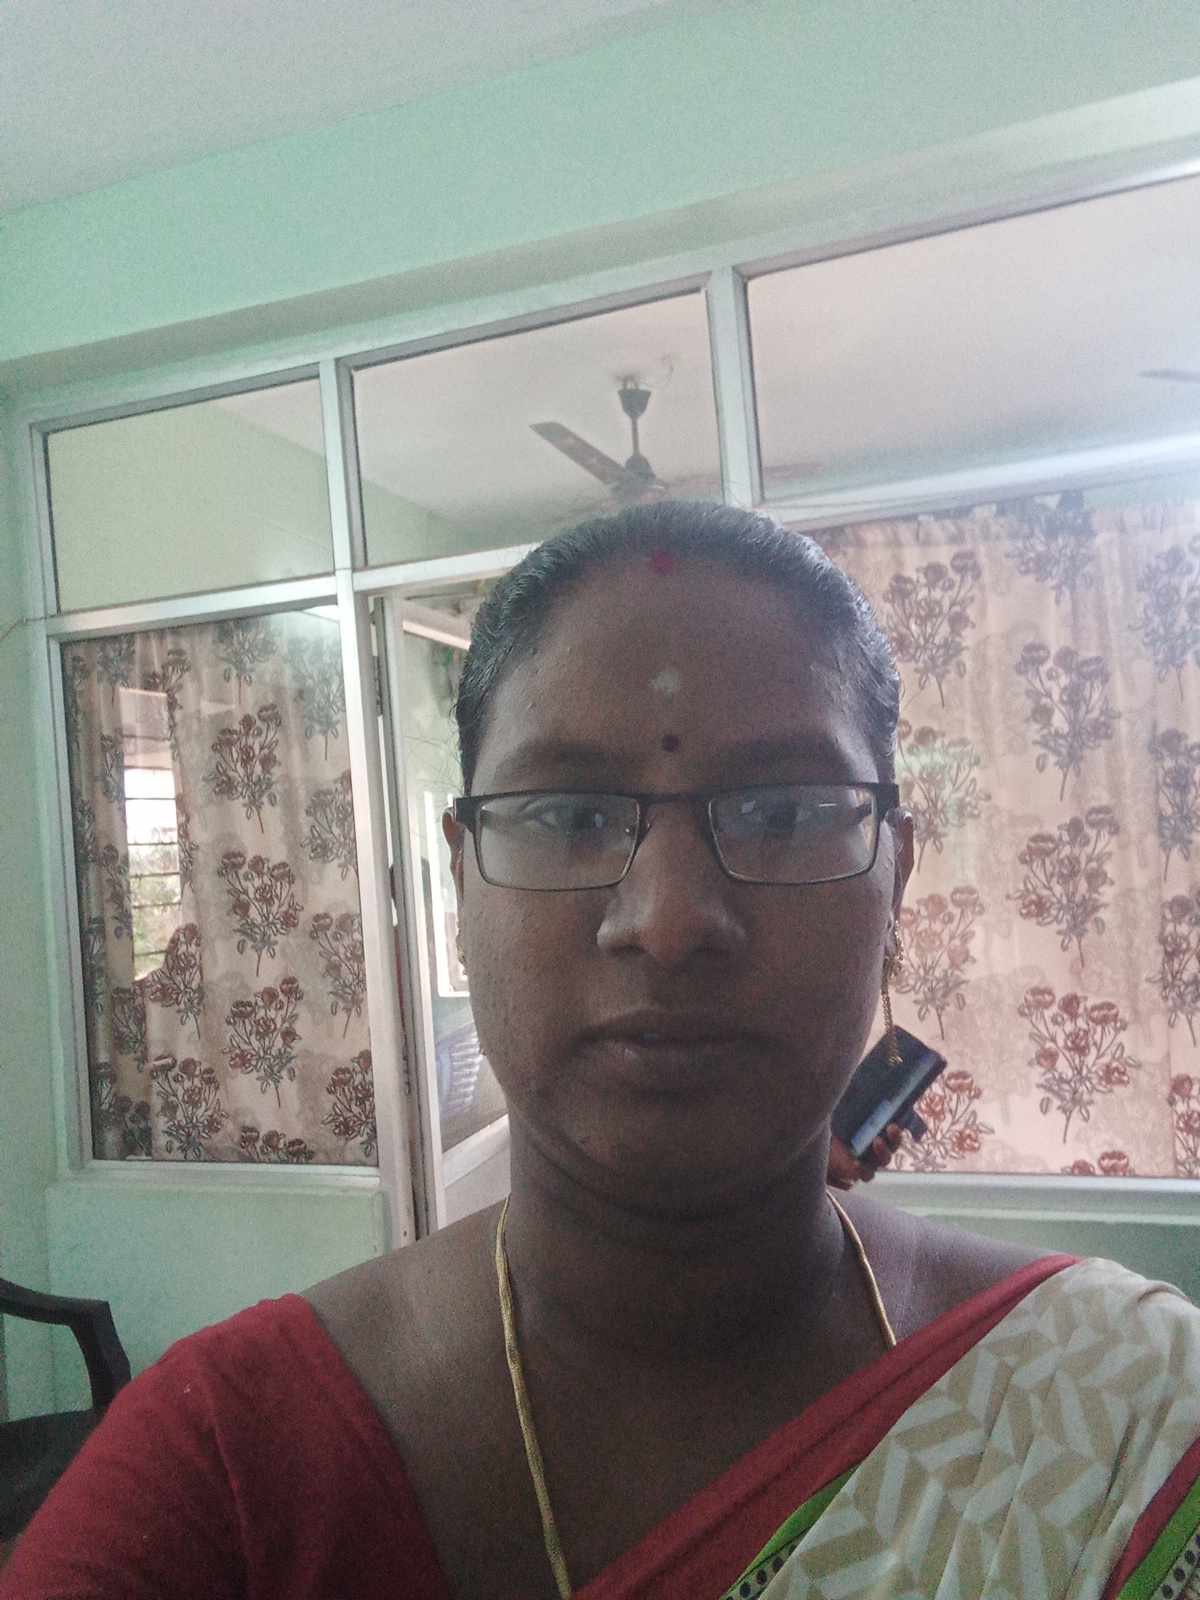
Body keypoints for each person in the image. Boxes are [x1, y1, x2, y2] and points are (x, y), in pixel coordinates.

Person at [4, 501, 1198, 1599]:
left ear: (899, 877)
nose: (668, 923)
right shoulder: (227, 1471)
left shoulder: (1120, 1411)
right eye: (570, 816)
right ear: (460, 882)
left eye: (781, 812)